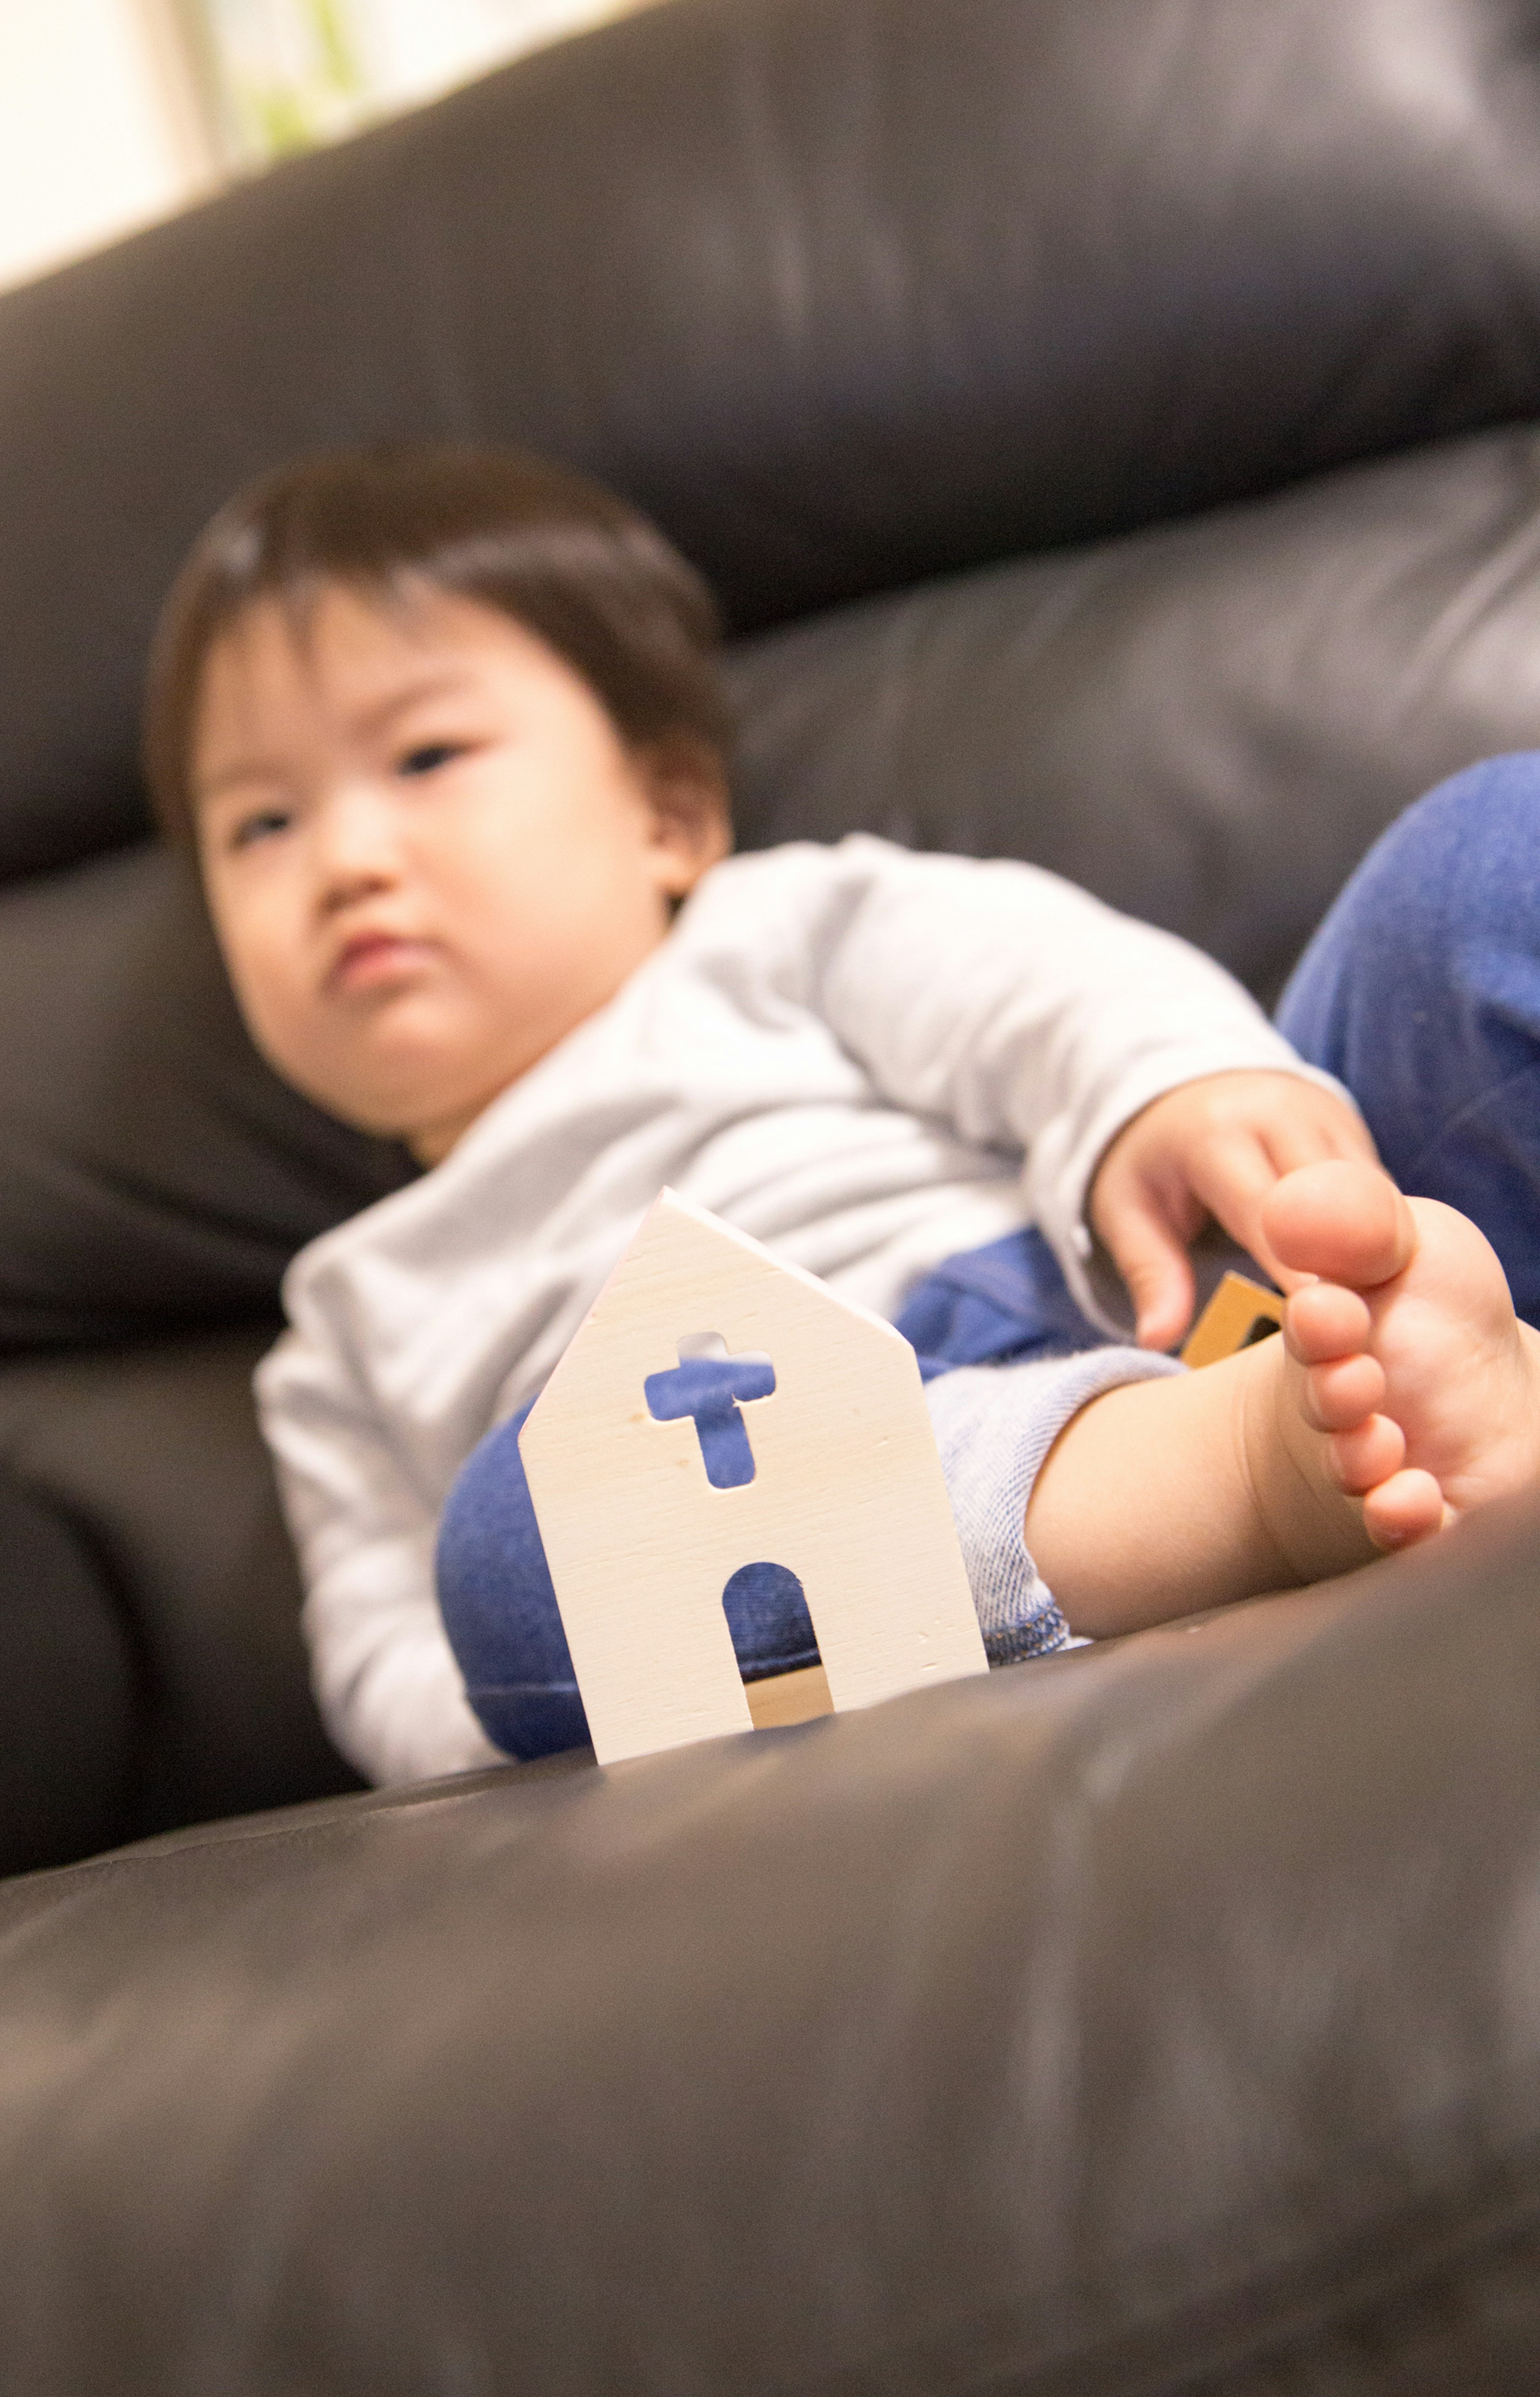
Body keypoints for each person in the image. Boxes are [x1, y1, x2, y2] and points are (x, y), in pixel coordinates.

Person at [143, 444, 1540, 1782]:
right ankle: (1243, 1478)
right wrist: (601, 1691)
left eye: (426, 756)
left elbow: (1031, 991)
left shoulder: (776, 929)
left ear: (669, 816)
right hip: (824, 1528)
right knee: (518, 1543)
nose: (344, 860)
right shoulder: (339, 1325)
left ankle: (1437, 1368)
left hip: (1179, 1285)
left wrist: (1167, 1090)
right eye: (262, 825)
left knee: (1483, 860)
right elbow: (398, 1685)